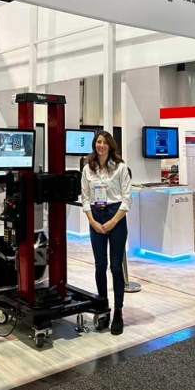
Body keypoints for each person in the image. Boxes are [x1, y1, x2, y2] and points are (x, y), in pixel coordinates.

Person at [81, 131, 132, 336]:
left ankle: (118, 311)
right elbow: (85, 197)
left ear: (110, 146)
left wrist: (113, 221)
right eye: (98, 142)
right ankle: (104, 308)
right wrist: (92, 221)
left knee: (116, 266)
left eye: (104, 142)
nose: (101, 145)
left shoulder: (120, 168)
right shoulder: (88, 169)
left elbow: (127, 199)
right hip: (96, 217)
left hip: (116, 216)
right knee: (100, 266)